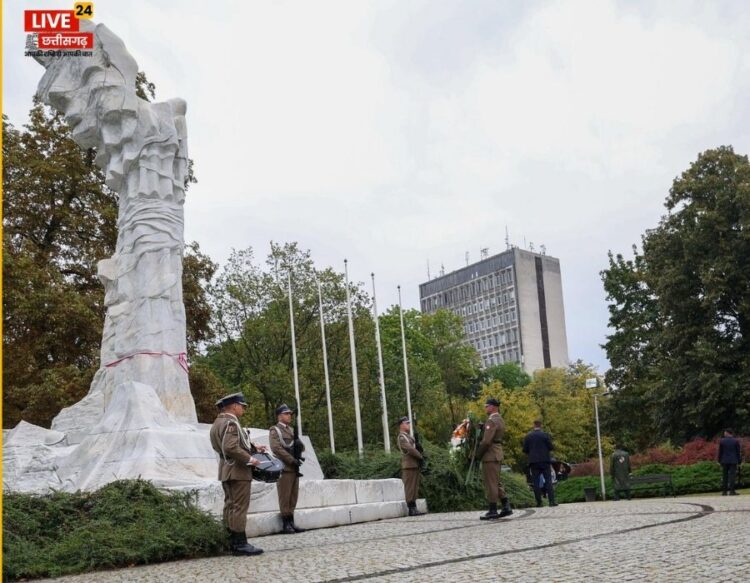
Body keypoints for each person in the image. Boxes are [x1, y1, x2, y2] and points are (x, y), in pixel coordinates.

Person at [209, 392, 266, 555]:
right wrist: (250, 459)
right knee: (239, 507)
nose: (243, 409)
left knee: (230, 506)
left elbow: (229, 445)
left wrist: (254, 448)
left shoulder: (218, 422)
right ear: (234, 406)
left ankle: (230, 540)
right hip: (238, 470)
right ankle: (240, 544)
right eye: (242, 406)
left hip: (227, 469)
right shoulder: (231, 423)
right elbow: (230, 447)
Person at [269, 404, 306, 533]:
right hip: (285, 468)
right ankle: (286, 524)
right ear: (279, 416)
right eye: (286, 414)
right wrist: (291, 460)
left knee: (293, 496)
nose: (289, 416)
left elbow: (301, 446)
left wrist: (299, 448)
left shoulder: (291, 430)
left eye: (290, 414)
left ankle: (291, 521)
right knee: (285, 496)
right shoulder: (275, 430)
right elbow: (276, 448)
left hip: (294, 468)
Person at [477, 398, 513, 520]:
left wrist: (477, 454)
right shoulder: (500, 419)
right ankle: (505, 505)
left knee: (490, 483)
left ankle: (492, 509)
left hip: (490, 454)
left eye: (487, 406)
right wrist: (483, 428)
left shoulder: (491, 421)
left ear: (493, 407)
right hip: (496, 452)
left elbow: (486, 441)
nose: (485, 408)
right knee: (496, 481)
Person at [522, 420, 558, 507]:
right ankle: (551, 502)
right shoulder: (545, 435)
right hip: (545, 461)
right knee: (548, 481)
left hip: (534, 462)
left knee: (536, 483)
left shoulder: (528, 436)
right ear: (540, 426)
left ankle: (539, 503)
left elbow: (525, 450)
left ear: (533, 426)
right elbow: (551, 447)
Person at [397, 416, 425, 516]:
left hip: (414, 464)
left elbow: (415, 446)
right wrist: (420, 456)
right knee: (409, 488)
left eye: (409, 423)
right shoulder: (402, 437)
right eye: (407, 423)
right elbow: (410, 449)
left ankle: (414, 508)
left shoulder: (409, 437)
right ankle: (411, 508)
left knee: (414, 487)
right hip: (408, 465)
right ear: (401, 425)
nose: (409, 425)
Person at [718, 429, 742, 496]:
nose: (724, 434)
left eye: (725, 433)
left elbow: (720, 452)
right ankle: (732, 491)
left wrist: (719, 460)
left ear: (728, 433)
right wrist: (739, 461)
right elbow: (738, 452)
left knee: (725, 476)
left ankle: (724, 492)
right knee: (732, 476)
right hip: (733, 460)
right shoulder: (736, 441)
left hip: (724, 460)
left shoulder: (722, 441)